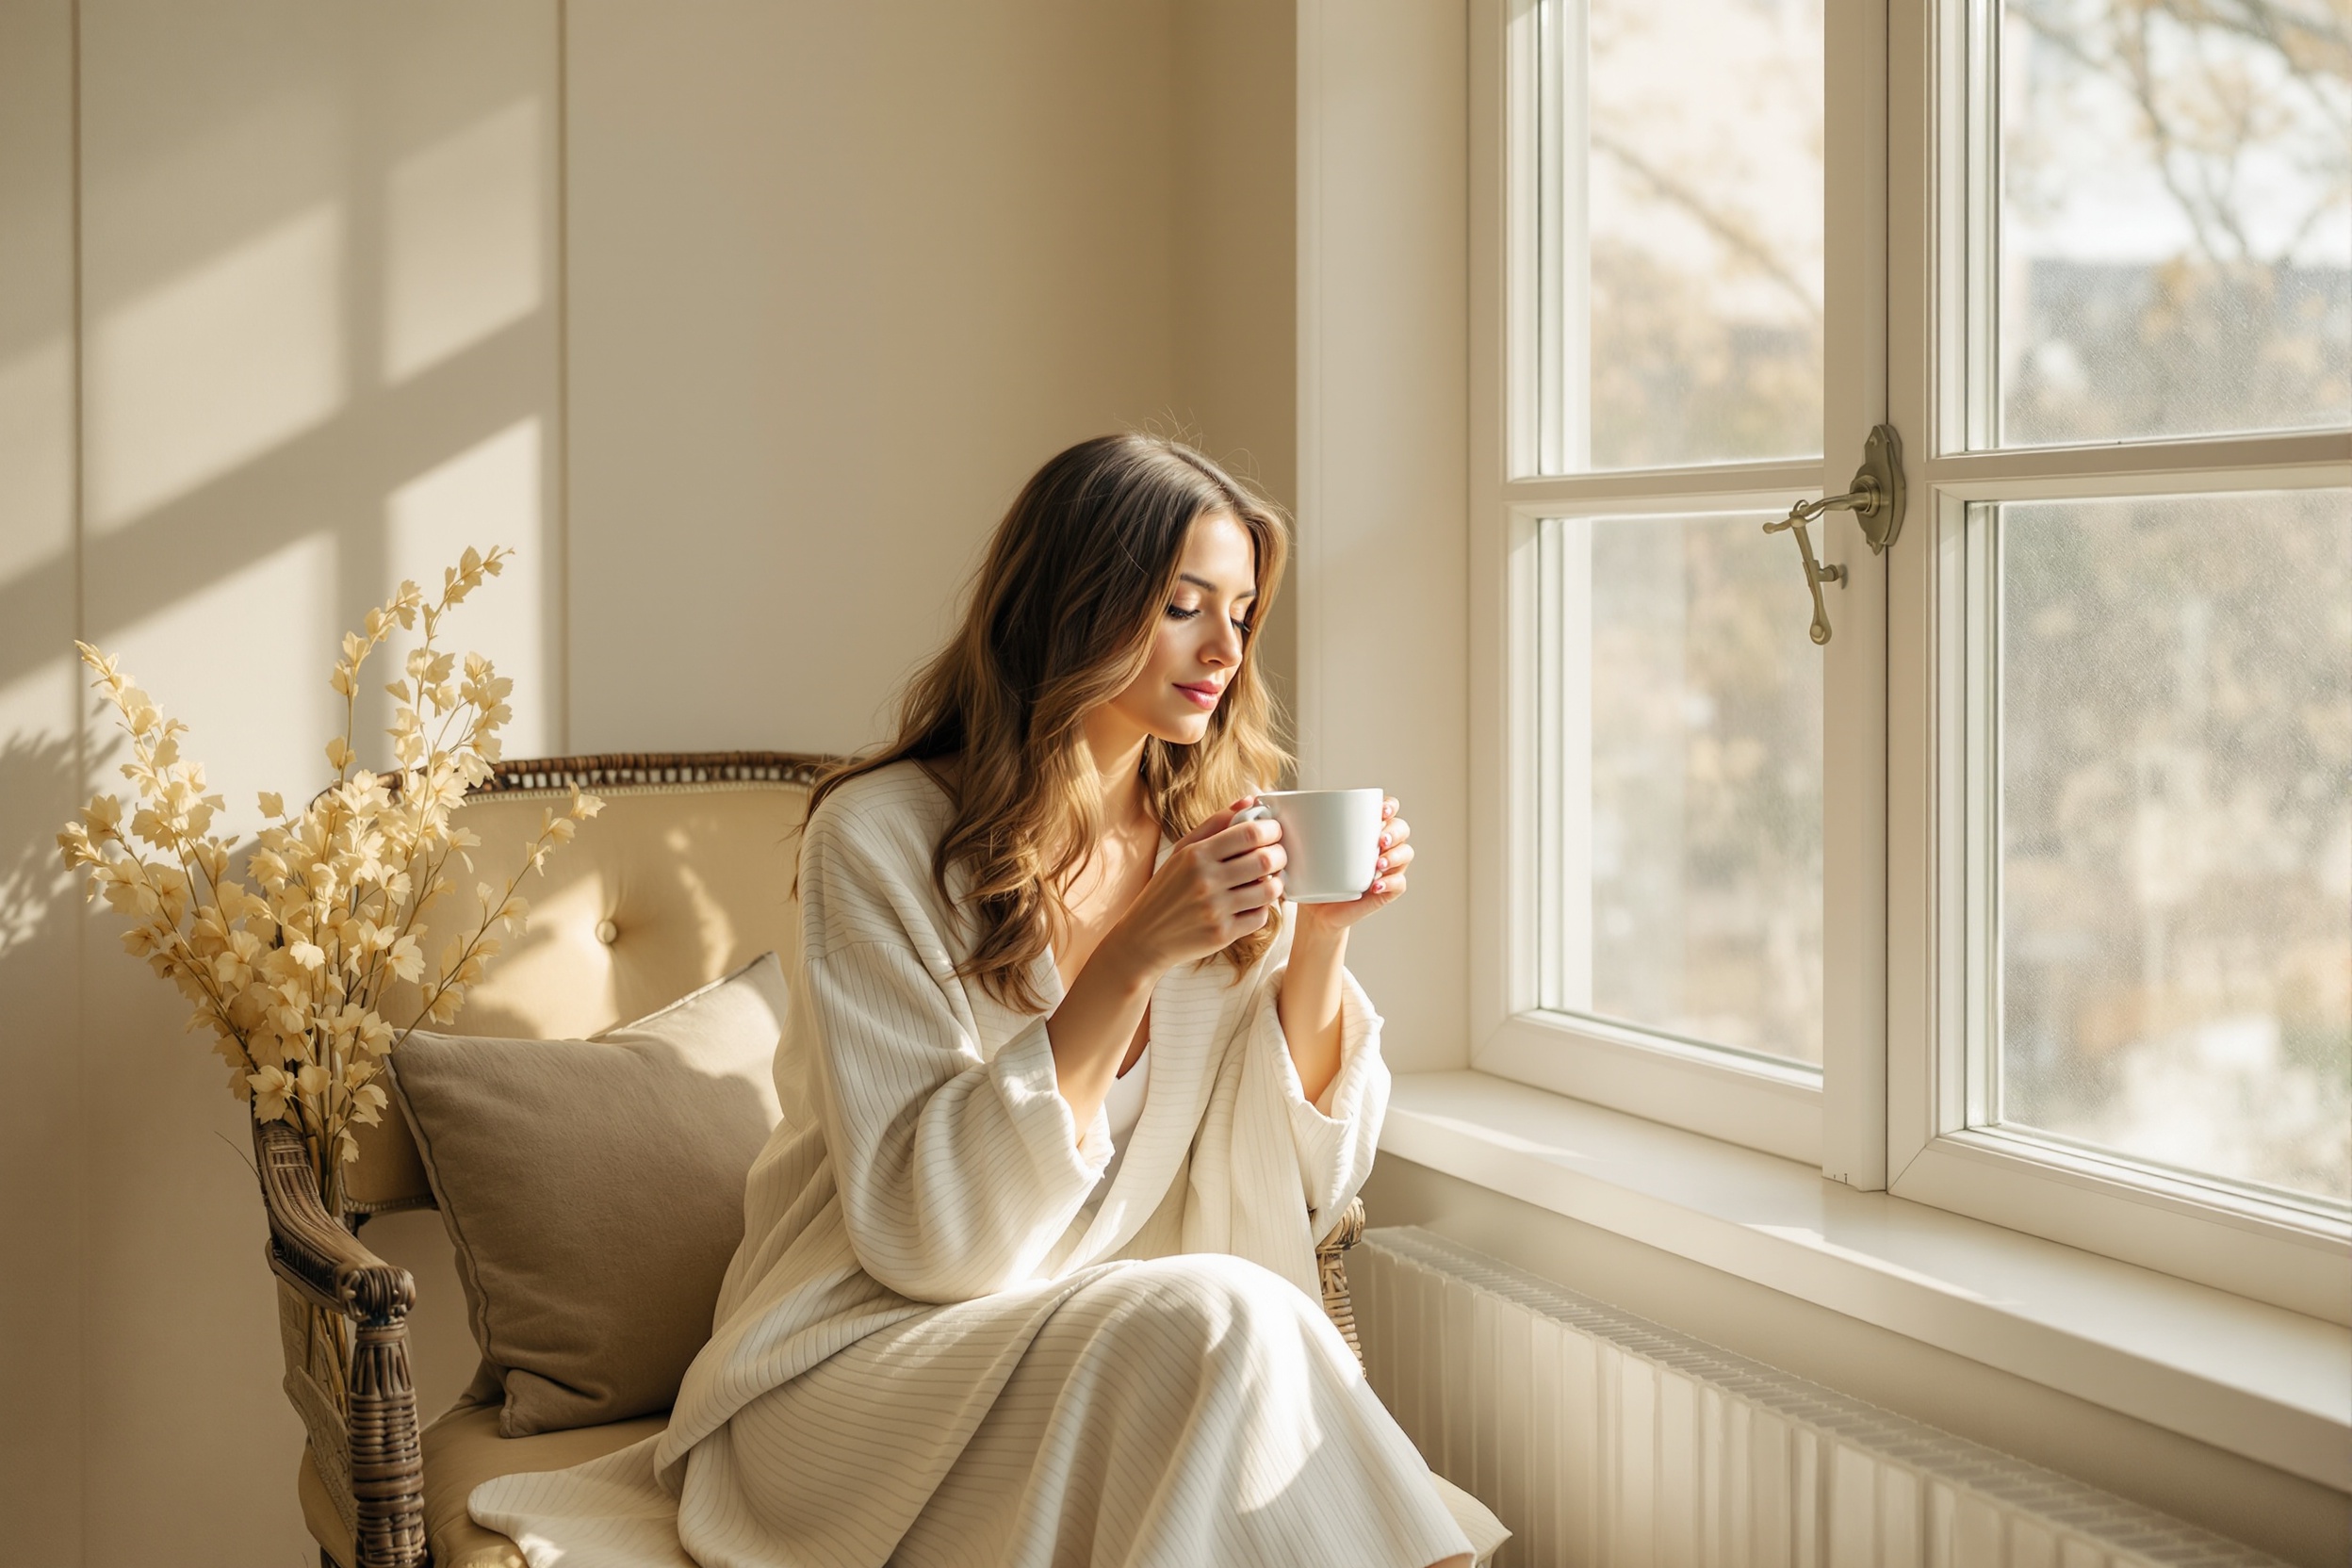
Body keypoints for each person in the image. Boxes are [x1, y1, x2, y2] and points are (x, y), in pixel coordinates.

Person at [470, 434, 1478, 1568]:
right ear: (1076, 604)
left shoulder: (1220, 833)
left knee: (1224, 1322)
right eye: (1183, 604)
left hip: (1106, 1352)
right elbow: (924, 1236)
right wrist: (1129, 959)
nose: (1224, 649)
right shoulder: (883, 838)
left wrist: (1319, 946)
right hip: (860, 1369)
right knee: (1223, 1316)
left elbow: (1299, 1185)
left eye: (1242, 611)